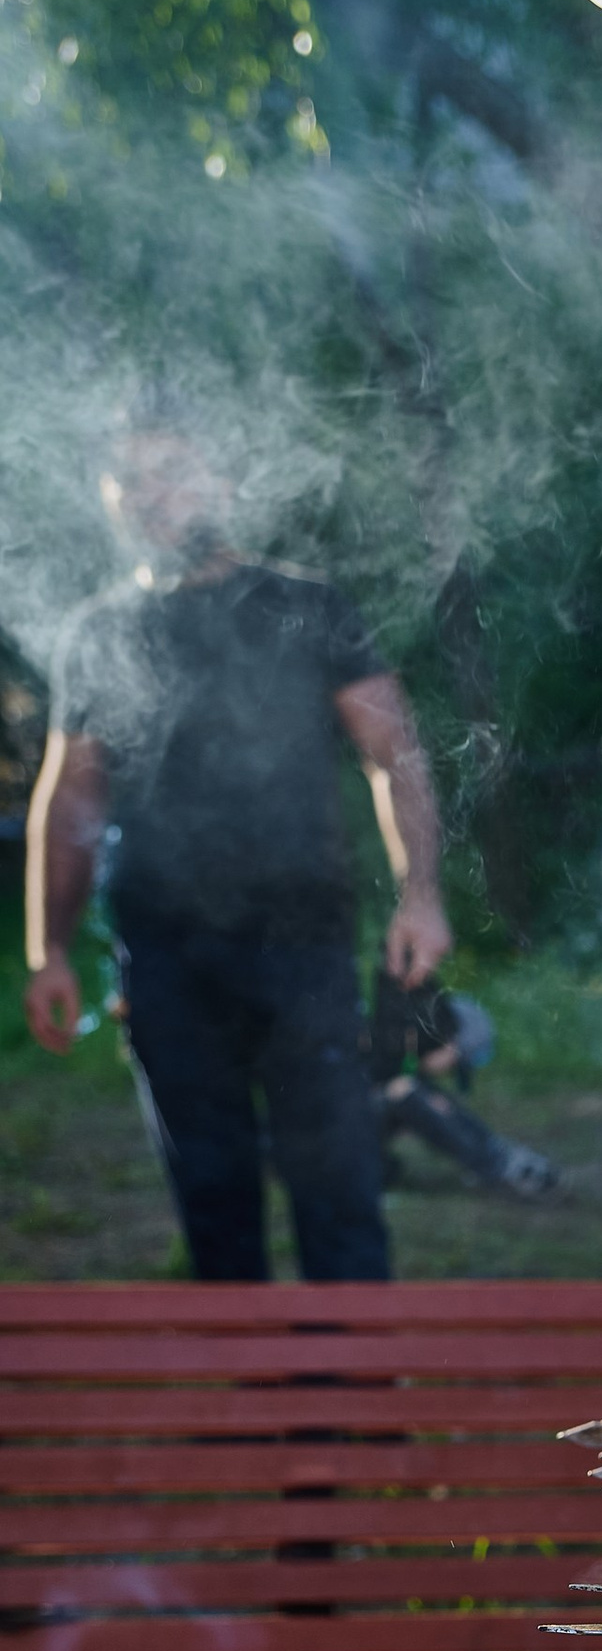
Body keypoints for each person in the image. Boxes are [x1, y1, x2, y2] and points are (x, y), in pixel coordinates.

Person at [22, 411, 451, 1281]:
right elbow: (68, 799)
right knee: (214, 1208)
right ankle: (252, 1418)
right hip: (168, 959)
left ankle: (354, 1414)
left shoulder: (307, 603)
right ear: (112, 502)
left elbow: (393, 752)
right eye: (133, 482)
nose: (156, 497)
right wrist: (51, 950)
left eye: (173, 471)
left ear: (219, 480)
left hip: (304, 946)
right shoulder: (99, 633)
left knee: (338, 1193)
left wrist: (422, 894)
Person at [370, 971, 559, 1201]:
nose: (450, 1069)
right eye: (456, 1062)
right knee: (408, 1094)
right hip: (328, 1129)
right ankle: (500, 1166)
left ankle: (501, 1157)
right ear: (450, 1043)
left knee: (418, 1094)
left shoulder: (405, 1058)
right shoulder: (389, 1041)